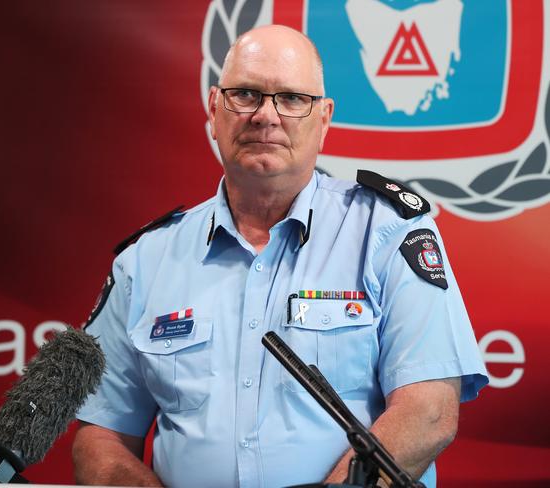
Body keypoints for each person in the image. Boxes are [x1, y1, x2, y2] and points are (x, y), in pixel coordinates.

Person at [72, 24, 488, 488]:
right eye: (246, 94)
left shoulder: (388, 232)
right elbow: (102, 436)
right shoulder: (145, 260)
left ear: (324, 119)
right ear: (214, 109)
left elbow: (429, 410)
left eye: (291, 98)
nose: (265, 116)